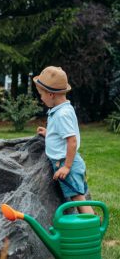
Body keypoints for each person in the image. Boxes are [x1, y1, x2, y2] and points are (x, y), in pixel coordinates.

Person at [33, 66, 94, 214]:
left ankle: (92, 228)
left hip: (67, 164)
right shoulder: (63, 109)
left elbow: (71, 141)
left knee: (78, 198)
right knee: (80, 196)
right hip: (68, 162)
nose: (41, 98)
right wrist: (50, 133)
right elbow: (63, 134)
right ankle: (92, 223)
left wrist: (66, 167)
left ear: (51, 94)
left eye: (41, 94)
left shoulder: (62, 114)